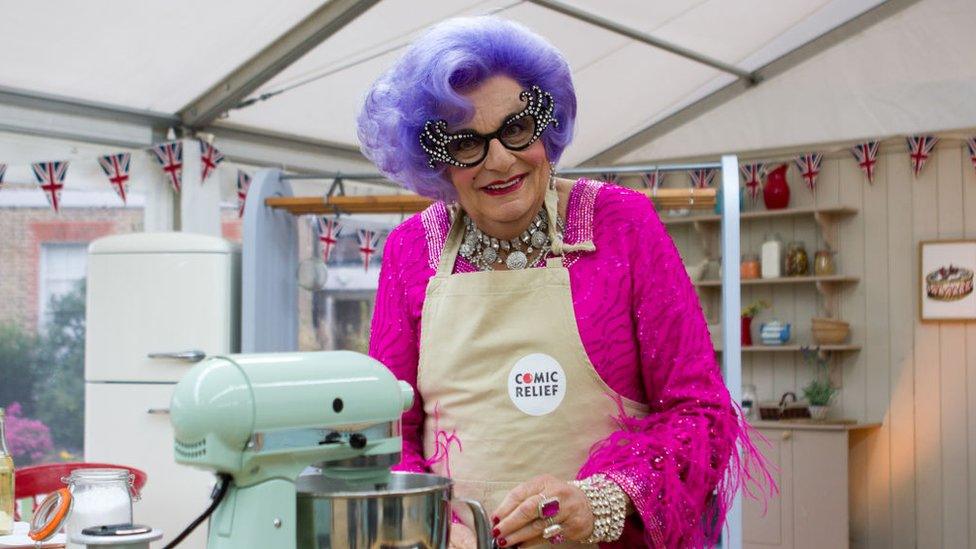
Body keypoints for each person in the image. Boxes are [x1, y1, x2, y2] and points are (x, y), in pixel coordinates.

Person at [358, 16, 769, 549]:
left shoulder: (623, 226)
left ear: (546, 126)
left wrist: (603, 500)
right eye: (465, 142)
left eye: (516, 128)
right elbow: (387, 433)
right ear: (434, 159)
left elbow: (701, 414)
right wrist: (430, 527)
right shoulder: (409, 250)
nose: (500, 160)